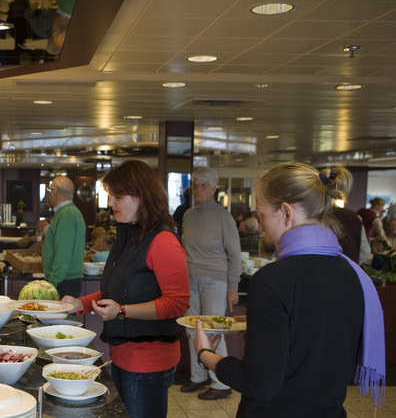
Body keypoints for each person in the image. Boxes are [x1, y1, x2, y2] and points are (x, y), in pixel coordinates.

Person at [193, 162, 385, 415]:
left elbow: (258, 383)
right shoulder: (354, 274)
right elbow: (312, 347)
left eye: (262, 214)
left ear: (286, 212)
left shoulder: (273, 279)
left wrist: (206, 355)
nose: (260, 225)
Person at [60, 160, 190, 417]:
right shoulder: (129, 237)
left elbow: (177, 304)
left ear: (142, 196)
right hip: (122, 355)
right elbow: (117, 289)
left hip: (149, 360)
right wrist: (81, 303)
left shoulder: (163, 241)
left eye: (118, 196)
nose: (111, 204)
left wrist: (122, 311)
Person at [180, 167, 241, 400]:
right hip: (189, 279)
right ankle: (199, 377)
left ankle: (221, 383)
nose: (198, 190)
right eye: (195, 185)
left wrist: (233, 288)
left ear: (215, 189)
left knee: (214, 331)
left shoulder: (224, 217)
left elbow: (235, 255)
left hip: (216, 280)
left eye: (203, 185)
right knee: (190, 329)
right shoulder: (188, 215)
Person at [43, 176, 85, 297]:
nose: (50, 194)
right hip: (66, 280)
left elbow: (63, 253)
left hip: (63, 282)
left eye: (50, 190)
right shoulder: (70, 212)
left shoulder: (67, 215)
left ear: (55, 193)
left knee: (62, 316)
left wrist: (52, 283)